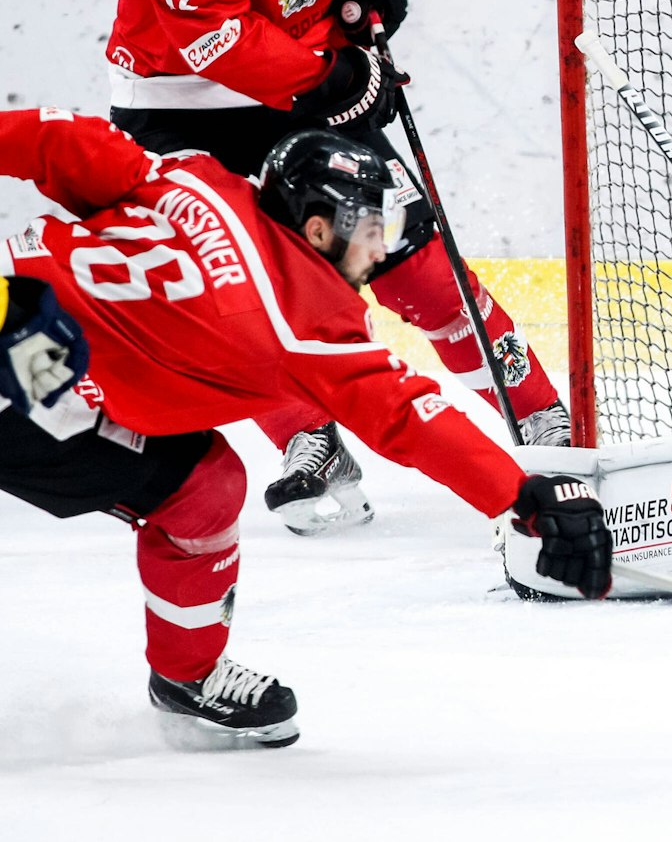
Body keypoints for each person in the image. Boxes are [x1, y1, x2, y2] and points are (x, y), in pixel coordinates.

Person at [104, 0, 573, 536]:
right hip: (185, 105)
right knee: (232, 288)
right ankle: (307, 436)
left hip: (308, 70)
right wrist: (332, 83)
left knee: (411, 261)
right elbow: (211, 36)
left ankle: (538, 410)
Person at [0, 109, 611, 749]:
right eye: (374, 230)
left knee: (205, 481)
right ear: (318, 229)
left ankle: (187, 675)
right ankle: (187, 676)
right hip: (26, 385)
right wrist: (522, 496)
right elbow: (406, 415)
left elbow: (61, 141)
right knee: (198, 491)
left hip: (17, 306)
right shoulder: (306, 321)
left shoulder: (196, 178)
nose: (382, 250)